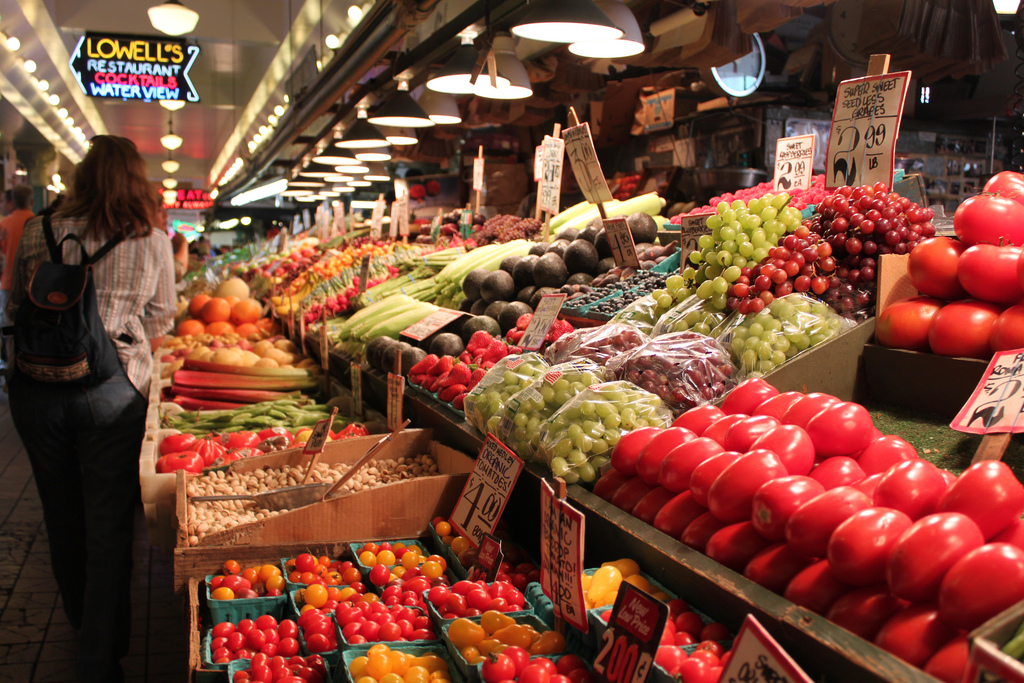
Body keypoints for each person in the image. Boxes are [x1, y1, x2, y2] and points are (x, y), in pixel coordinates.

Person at [6, 136, 176, 683]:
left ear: (80, 176)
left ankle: (82, 623)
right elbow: (163, 317)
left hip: (36, 388)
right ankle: (99, 660)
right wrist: (124, 343)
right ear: (135, 179)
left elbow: (15, 303)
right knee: (108, 529)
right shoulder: (149, 237)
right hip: (111, 392)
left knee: (62, 517)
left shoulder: (38, 229)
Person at [0, 185, 35, 369]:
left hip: (7, 283)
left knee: (9, 329)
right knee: (30, 328)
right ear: (32, 202)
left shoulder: (3, 224)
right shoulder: (36, 223)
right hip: (33, 285)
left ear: (12, 202)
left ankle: (10, 368)